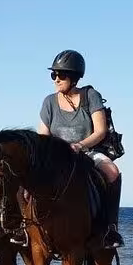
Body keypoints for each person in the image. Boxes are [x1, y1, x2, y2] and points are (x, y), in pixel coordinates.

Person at [36, 49, 124, 249]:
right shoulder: (49, 101)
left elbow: (100, 131)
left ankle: (110, 228)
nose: (56, 79)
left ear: (74, 77)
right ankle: (24, 229)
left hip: (87, 151)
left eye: (61, 75)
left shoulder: (91, 96)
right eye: (53, 75)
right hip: (57, 156)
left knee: (112, 172)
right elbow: (43, 136)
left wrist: (79, 145)